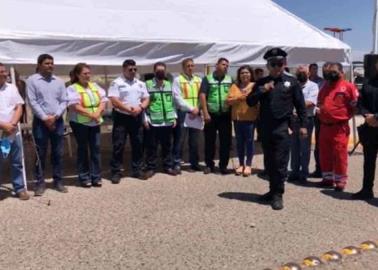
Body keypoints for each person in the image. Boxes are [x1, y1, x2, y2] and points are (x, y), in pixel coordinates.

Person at [246, 48, 307, 210]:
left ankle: (278, 194)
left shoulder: (291, 82)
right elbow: (250, 102)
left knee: (280, 162)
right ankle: (271, 191)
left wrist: (303, 126)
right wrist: (262, 90)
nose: (276, 67)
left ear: (284, 64)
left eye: (279, 63)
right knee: (269, 161)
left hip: (282, 127)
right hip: (265, 127)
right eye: (273, 64)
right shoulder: (261, 82)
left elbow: (301, 106)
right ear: (268, 65)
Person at [26, 54, 68, 196]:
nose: (50, 65)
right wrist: (45, 118)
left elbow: (64, 101)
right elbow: (32, 101)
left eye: (52, 63)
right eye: (47, 63)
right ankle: (39, 182)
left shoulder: (59, 81)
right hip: (40, 122)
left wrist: (55, 116)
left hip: (57, 120)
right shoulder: (32, 80)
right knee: (40, 153)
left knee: (58, 152)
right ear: (39, 65)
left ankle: (58, 181)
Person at [143, 62, 193, 179]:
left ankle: (167, 166)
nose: (161, 73)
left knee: (167, 146)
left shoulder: (169, 84)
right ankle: (151, 167)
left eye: (162, 71)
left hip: (168, 121)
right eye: (158, 71)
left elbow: (173, 103)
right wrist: (145, 119)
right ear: (154, 71)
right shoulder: (147, 84)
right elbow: (143, 103)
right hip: (153, 121)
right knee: (152, 146)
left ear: (165, 72)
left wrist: (174, 117)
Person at [317, 62, 358, 191]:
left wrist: (345, 117)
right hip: (324, 127)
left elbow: (355, 105)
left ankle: (340, 180)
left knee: (339, 155)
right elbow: (320, 101)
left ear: (341, 72)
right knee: (325, 154)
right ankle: (328, 178)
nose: (330, 74)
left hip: (339, 128)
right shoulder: (325, 86)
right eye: (328, 72)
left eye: (333, 71)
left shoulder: (348, 87)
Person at [108, 59, 150, 183]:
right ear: (124, 69)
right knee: (118, 144)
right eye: (130, 69)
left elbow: (146, 98)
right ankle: (116, 171)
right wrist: (128, 109)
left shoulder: (140, 83)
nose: (133, 71)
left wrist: (140, 107)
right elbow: (114, 100)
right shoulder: (116, 82)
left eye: (135, 69)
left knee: (137, 143)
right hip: (122, 117)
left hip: (136, 116)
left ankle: (137, 170)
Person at [66, 63, 107, 187]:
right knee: (83, 149)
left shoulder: (94, 86)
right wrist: (91, 114)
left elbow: (103, 100)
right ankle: (84, 177)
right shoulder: (72, 88)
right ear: (78, 75)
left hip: (94, 122)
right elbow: (74, 105)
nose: (88, 75)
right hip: (80, 123)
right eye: (85, 73)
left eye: (89, 73)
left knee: (96, 149)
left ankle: (96, 176)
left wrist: (98, 112)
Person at [0, 63, 29, 200]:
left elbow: (19, 107)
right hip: (1, 129)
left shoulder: (12, 88)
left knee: (16, 161)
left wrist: (12, 124)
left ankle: (19, 188)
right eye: (1, 72)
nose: (4, 74)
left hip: (12, 131)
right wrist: (3, 125)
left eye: (4, 71)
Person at [199, 58, 233, 175]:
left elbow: (233, 94)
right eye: (223, 64)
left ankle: (223, 166)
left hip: (225, 115)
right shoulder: (207, 79)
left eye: (227, 65)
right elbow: (202, 95)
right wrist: (205, 112)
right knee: (209, 141)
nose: (226, 67)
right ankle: (209, 165)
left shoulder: (230, 79)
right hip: (211, 115)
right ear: (216, 65)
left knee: (225, 142)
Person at [351, 63, 378, 200]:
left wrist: (376, 117)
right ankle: (366, 190)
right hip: (370, 127)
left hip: (374, 121)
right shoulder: (369, 83)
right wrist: (367, 115)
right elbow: (361, 102)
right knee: (368, 161)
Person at [226, 65, 259, 176]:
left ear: (251, 74)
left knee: (249, 142)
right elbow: (228, 101)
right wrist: (239, 98)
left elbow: (257, 100)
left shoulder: (254, 86)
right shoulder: (234, 86)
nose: (244, 75)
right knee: (239, 142)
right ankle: (241, 164)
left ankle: (248, 165)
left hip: (250, 118)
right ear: (239, 75)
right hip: (237, 119)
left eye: (247, 72)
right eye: (242, 73)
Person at [288, 66, 319, 183]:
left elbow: (311, 102)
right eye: (299, 72)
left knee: (305, 148)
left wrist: (296, 105)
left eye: (303, 72)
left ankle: (304, 172)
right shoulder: (293, 85)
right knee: (294, 147)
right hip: (293, 120)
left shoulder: (313, 86)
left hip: (306, 120)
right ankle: (294, 171)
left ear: (308, 73)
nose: (301, 74)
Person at [172, 58, 201, 173]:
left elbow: (202, 96)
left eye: (192, 65)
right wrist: (191, 108)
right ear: (183, 67)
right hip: (183, 113)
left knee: (194, 140)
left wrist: (197, 108)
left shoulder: (199, 79)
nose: (190, 67)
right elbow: (177, 98)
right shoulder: (177, 80)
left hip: (196, 113)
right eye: (188, 66)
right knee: (180, 139)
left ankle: (194, 163)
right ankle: (176, 163)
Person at [308, 63, 325, 178]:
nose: (315, 70)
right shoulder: (305, 80)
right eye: (313, 69)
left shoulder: (322, 81)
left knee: (319, 142)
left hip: (318, 114)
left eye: (316, 69)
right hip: (308, 113)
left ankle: (319, 168)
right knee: (306, 141)